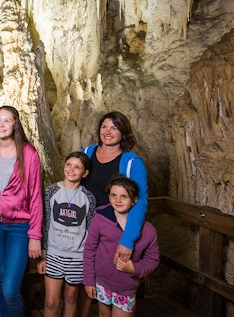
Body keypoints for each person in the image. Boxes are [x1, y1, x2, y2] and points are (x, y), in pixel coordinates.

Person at [77, 111, 148, 317]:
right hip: (85, 229)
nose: (108, 132)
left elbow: (140, 201)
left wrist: (128, 239)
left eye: (114, 128)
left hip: (114, 232)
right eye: (104, 127)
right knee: (85, 284)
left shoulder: (131, 163)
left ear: (123, 133)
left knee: (116, 286)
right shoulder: (87, 153)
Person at [0, 105, 43, 317]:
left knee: (10, 288)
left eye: (7, 120)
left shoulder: (28, 153)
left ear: (15, 124)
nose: (2, 124)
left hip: (19, 227)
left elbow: (36, 196)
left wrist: (35, 236)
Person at [83, 173, 159, 317]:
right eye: (113, 195)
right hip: (102, 282)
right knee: (103, 313)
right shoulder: (100, 220)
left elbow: (153, 259)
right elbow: (89, 250)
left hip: (127, 287)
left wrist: (134, 269)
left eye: (124, 196)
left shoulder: (148, 230)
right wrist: (88, 280)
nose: (118, 200)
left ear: (134, 200)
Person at [37, 152, 96, 317]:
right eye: (69, 164)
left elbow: (90, 229)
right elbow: (44, 223)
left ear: (85, 173)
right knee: (51, 301)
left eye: (78, 167)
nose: (71, 169)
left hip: (77, 257)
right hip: (54, 255)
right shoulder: (51, 192)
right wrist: (42, 256)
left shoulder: (88, 198)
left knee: (71, 297)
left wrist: (88, 260)